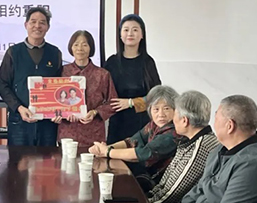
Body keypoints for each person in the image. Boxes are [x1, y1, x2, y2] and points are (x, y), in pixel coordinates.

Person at [148, 90, 220, 203]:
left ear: (184, 120)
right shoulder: (191, 140)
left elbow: (172, 196)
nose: (173, 120)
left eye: (175, 114)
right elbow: (165, 183)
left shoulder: (202, 146)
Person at [90, 85, 180, 190]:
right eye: (156, 109)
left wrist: (108, 152)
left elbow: (143, 153)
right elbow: (133, 140)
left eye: (166, 109)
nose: (161, 114)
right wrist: (106, 148)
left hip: (161, 186)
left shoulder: (173, 132)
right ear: (150, 110)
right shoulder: (154, 124)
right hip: (148, 177)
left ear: (175, 110)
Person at [0, 6, 62, 146]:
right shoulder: (13, 52)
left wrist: (58, 111)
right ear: (26, 25)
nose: (37, 26)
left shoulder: (55, 53)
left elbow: (60, 86)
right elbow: (3, 84)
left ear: (48, 27)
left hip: (47, 123)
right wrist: (18, 107)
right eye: (33, 22)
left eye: (42, 22)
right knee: (18, 159)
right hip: (20, 120)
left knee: (47, 159)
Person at [104, 14, 161, 144]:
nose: (130, 33)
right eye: (126, 30)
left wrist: (131, 103)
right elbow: (102, 92)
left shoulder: (148, 62)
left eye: (135, 30)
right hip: (117, 121)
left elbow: (157, 95)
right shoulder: (112, 62)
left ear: (142, 35)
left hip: (142, 123)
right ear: (120, 35)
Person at [56, 30, 117, 148]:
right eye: (76, 44)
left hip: (94, 133)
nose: (80, 48)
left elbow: (113, 103)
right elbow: (54, 99)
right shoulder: (62, 72)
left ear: (91, 48)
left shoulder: (102, 74)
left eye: (84, 45)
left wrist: (95, 112)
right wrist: (57, 114)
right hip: (67, 133)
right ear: (71, 47)